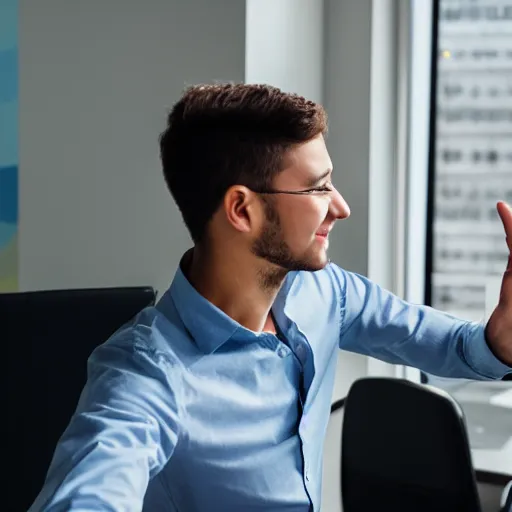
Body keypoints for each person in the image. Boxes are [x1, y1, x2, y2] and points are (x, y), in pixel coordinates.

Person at [30, 83, 512, 512]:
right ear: (242, 209)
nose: (340, 207)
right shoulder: (147, 371)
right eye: (318, 187)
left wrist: (503, 340)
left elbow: (452, 346)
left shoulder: (327, 293)